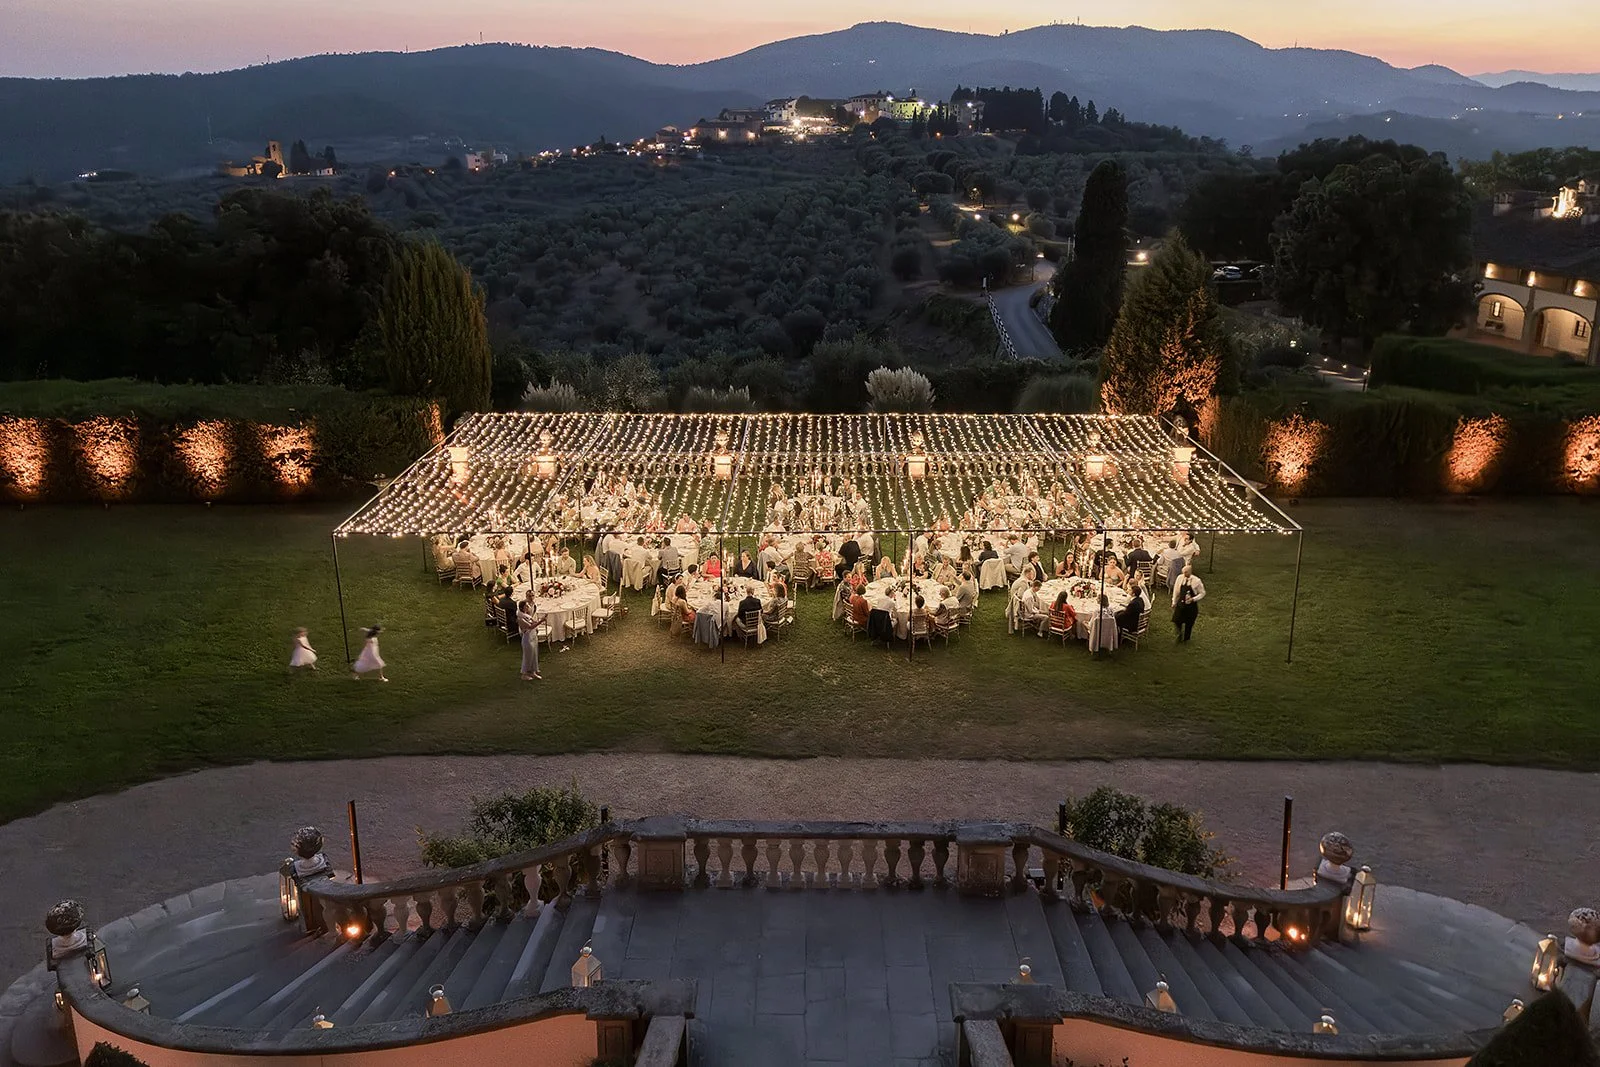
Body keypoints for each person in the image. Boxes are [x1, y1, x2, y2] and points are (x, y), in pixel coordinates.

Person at [1171, 565, 1206, 642]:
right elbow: (1176, 591)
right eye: (1183, 572)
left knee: (1189, 622)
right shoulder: (1180, 578)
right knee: (1177, 620)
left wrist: (1194, 599)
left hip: (1191, 606)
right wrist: (1174, 601)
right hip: (1181, 603)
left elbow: (1202, 593)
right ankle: (1179, 633)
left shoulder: (1196, 581)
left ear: (1190, 571)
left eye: (1186, 572)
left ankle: (1186, 639)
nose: (1184, 574)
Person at [517, 594, 544, 681]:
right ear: (523, 608)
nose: (528, 606)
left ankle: (533, 671)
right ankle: (524, 674)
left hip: (533, 636)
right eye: (527, 606)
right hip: (527, 639)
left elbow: (533, 621)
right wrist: (541, 621)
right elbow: (530, 626)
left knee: (534, 654)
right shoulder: (521, 618)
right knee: (528, 656)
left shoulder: (527, 615)